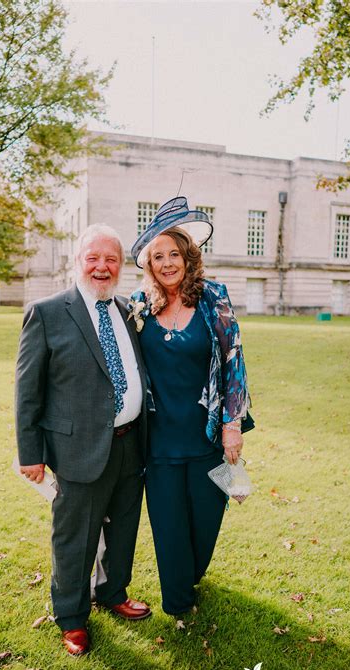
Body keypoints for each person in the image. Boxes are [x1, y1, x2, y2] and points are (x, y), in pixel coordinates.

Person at [15, 224, 151, 657]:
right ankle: (72, 618)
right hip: (77, 449)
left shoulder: (129, 310)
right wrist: (29, 453)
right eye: (93, 257)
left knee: (124, 526)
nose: (102, 266)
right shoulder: (48, 312)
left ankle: (112, 593)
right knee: (75, 537)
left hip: (131, 442)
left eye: (111, 259)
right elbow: (28, 390)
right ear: (78, 261)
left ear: (121, 265)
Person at [128, 197, 253, 617]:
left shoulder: (214, 297)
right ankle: (177, 599)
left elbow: (234, 360)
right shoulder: (138, 306)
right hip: (157, 442)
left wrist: (232, 424)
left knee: (205, 522)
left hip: (207, 436)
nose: (166, 263)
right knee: (168, 526)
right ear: (149, 263)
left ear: (188, 256)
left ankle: (193, 572)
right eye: (157, 256)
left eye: (174, 254)